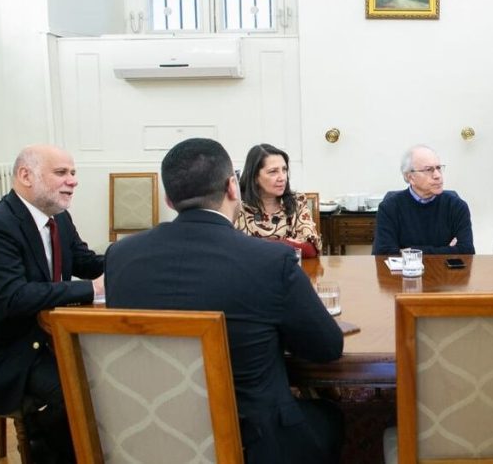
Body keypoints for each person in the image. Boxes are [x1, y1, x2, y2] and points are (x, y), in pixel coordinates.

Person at [104, 138, 344, 463]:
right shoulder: (270, 261)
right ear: (233, 188)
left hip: (151, 430)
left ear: (168, 199)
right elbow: (326, 348)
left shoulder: (121, 256)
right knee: (331, 415)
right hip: (253, 439)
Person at [0, 144, 105, 464]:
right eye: (61, 173)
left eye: (73, 173)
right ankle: (46, 452)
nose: (73, 180)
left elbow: (85, 262)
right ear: (25, 175)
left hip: (37, 336)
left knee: (99, 377)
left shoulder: (59, 218)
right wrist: (91, 289)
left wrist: (135, 258)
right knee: (74, 393)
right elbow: (15, 297)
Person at [371, 144, 475, 255]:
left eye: (439, 168)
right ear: (411, 177)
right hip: (405, 272)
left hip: (446, 272)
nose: (437, 175)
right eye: (429, 170)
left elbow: (467, 251)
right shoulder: (389, 208)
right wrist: (448, 250)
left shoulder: (456, 206)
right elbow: (383, 254)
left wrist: (407, 251)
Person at [235, 143, 323, 257]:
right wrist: (288, 243)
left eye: (284, 170)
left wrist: (252, 244)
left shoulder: (297, 202)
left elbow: (310, 249)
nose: (282, 178)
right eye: (273, 172)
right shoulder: (237, 205)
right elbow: (230, 248)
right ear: (255, 177)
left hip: (287, 271)